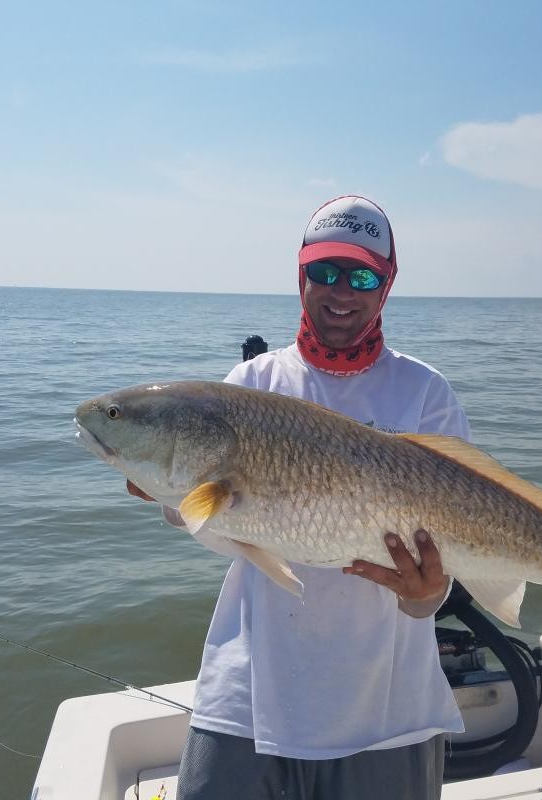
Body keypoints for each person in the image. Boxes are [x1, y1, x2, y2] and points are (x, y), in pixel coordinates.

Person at [130, 195, 472, 799]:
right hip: (249, 695)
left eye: (362, 275)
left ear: (387, 283)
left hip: (387, 707)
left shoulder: (424, 392)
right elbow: (225, 532)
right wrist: (169, 493)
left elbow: (447, 563)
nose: (341, 291)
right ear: (301, 274)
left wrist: (426, 598)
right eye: (325, 272)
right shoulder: (253, 384)